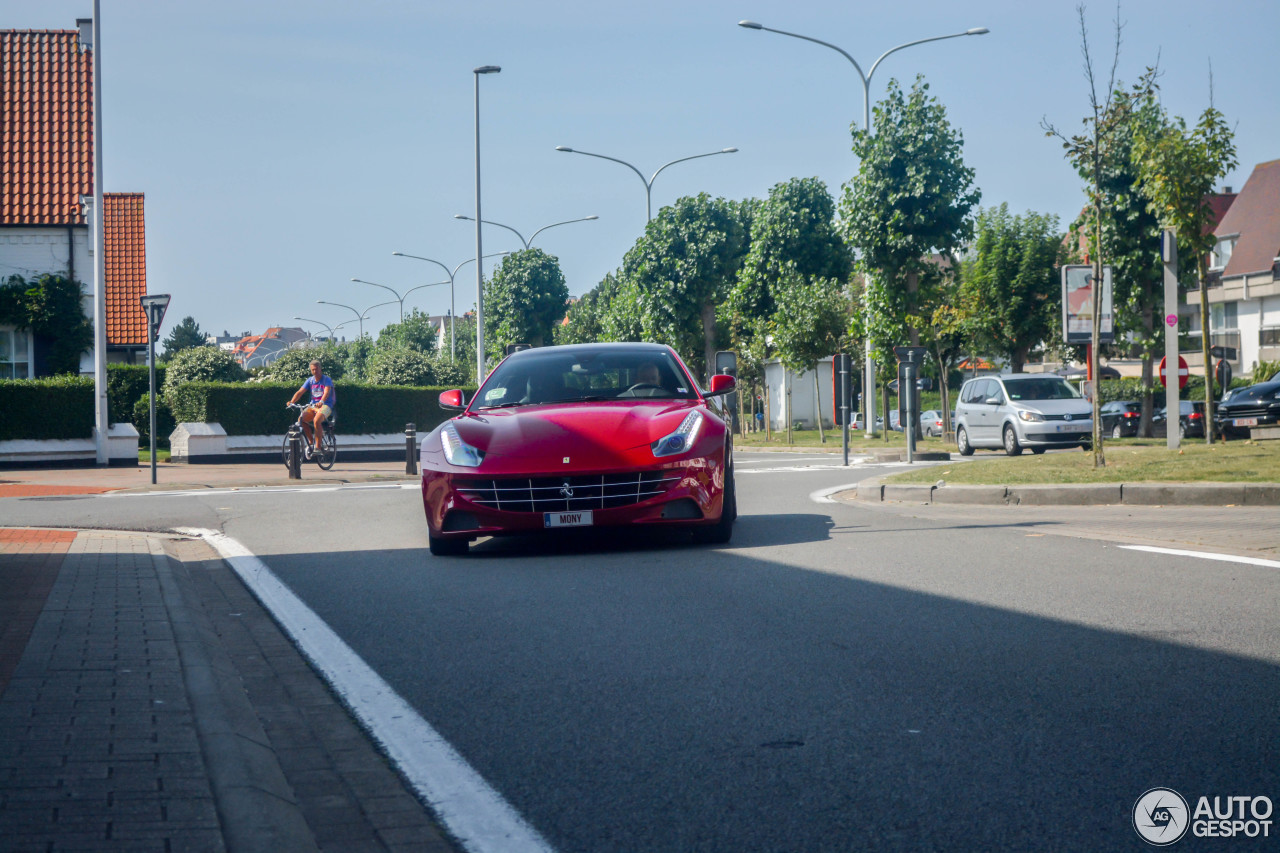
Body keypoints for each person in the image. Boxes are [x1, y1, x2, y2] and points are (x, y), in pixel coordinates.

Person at [288, 359, 336, 458]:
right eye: (312, 370)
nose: (315, 372)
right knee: (301, 419)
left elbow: (327, 392)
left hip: (326, 405)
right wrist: (292, 402)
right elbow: (300, 392)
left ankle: (318, 447)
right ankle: (311, 442)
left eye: (316, 369)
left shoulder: (326, 379)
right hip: (313, 405)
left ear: (320, 369)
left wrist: (321, 401)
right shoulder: (310, 380)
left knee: (317, 420)